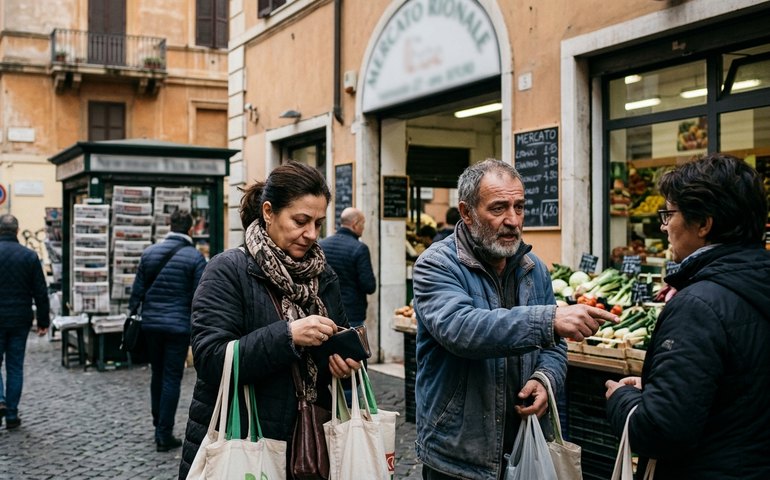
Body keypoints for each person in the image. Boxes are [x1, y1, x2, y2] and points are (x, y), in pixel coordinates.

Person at [412, 159, 618, 479]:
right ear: (467, 213)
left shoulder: (533, 268)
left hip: (524, 443)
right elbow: (461, 329)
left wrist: (544, 380)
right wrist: (548, 320)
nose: (513, 220)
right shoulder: (435, 265)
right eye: (498, 209)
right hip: (460, 451)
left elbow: (553, 347)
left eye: (519, 207)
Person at [178, 162, 360, 479]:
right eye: (300, 221)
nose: (311, 234)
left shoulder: (324, 274)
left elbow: (338, 345)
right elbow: (210, 359)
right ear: (268, 212)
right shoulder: (227, 269)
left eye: (318, 223)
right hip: (245, 439)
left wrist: (345, 364)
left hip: (312, 444)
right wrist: (288, 335)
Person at [605, 153, 770, 479]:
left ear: (704, 224)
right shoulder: (755, 283)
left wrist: (622, 399)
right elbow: (739, 390)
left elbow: (660, 431)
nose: (664, 226)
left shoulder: (697, 305)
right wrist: (659, 387)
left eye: (669, 214)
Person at [128, 209, 206, 452]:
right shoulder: (195, 258)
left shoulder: (149, 253)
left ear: (170, 225)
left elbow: (136, 294)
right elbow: (199, 298)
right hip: (178, 327)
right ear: (191, 229)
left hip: (151, 325)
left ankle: (157, 423)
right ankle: (164, 432)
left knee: (157, 374)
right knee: (172, 377)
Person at [0, 214, 49, 430]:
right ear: (17, 231)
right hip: (20, 319)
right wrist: (43, 321)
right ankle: (11, 414)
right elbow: (40, 291)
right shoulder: (29, 256)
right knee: (15, 366)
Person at [319, 207, 376, 328]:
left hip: (325, 310)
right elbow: (369, 286)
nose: (364, 227)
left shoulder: (322, 245)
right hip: (352, 313)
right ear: (355, 224)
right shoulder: (360, 248)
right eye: (363, 223)